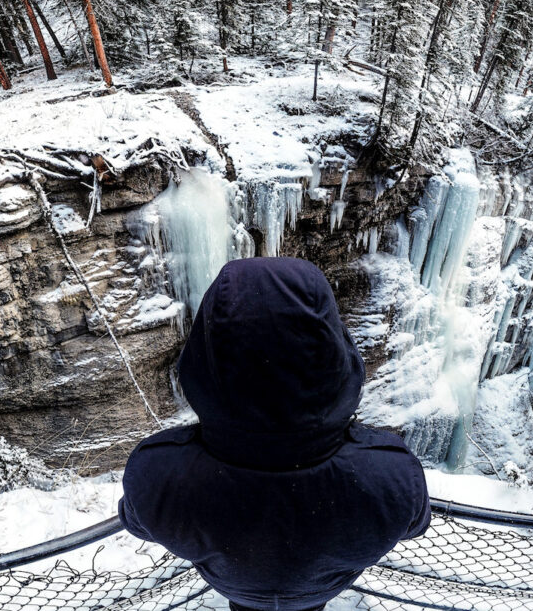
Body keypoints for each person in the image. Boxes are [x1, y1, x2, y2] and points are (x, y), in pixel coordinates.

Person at [118, 257, 430, 611]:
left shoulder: (156, 476)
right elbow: (414, 524)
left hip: (234, 585)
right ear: (335, 352)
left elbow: (136, 521)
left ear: (202, 359)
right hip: (320, 588)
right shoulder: (392, 477)